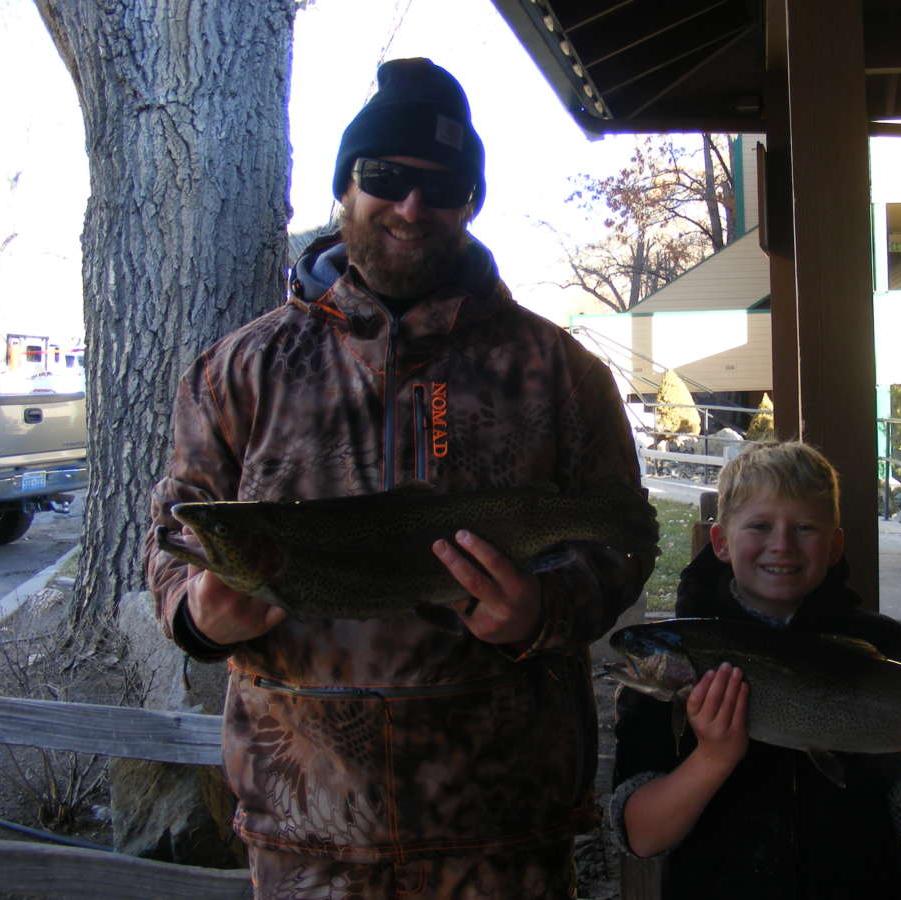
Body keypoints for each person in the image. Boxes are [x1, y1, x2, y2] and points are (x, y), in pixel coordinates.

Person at [144, 58, 654, 899]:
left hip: (503, 835)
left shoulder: (562, 372)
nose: (411, 207)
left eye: (443, 186)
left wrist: (541, 609)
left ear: (471, 202)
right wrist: (198, 610)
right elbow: (169, 534)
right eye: (384, 177)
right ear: (345, 186)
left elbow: (625, 539)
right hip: (306, 840)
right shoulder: (238, 369)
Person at [610, 441, 901, 898]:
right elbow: (641, 835)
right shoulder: (663, 675)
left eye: (804, 527)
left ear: (835, 544)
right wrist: (712, 757)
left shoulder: (886, 649)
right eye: (760, 526)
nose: (781, 544)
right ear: (720, 542)